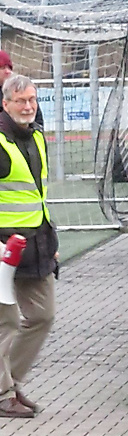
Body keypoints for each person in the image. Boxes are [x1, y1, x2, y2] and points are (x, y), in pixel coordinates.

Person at [0, 75, 57, 418]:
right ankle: (4, 392)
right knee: (6, 322)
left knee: (43, 315)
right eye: (20, 100)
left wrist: (51, 241)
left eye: (31, 100)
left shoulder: (37, 137)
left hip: (37, 244)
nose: (27, 106)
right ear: (5, 104)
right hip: (3, 250)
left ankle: (10, 383)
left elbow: (39, 196)